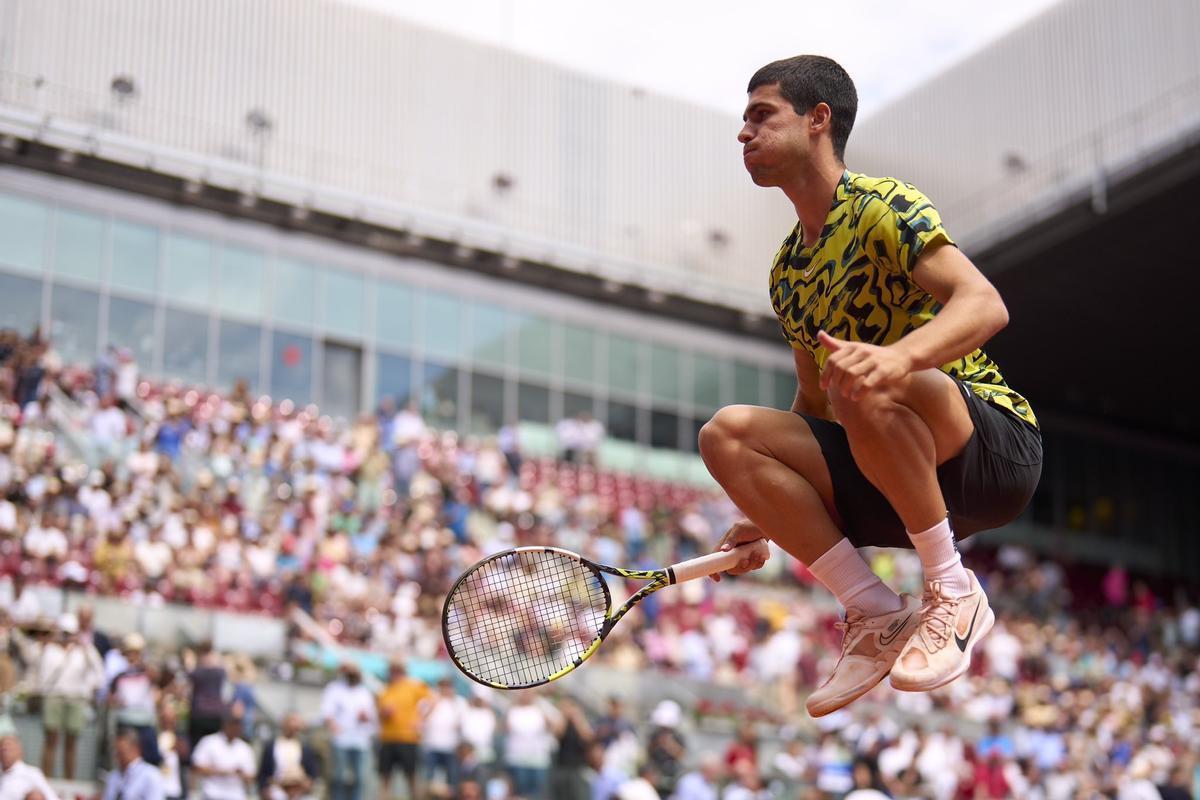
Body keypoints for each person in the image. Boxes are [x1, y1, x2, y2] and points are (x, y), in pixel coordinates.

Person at [702, 54, 1042, 717]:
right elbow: (812, 407)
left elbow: (984, 304)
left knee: (858, 378)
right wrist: (769, 508)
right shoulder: (787, 270)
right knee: (728, 435)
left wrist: (895, 360)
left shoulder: (883, 206)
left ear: (818, 119)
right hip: (889, 474)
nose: (744, 132)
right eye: (744, 120)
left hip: (989, 456)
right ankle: (874, 613)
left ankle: (953, 591)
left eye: (761, 115)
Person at [38, 613, 104, 780]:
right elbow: (43, 676)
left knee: (71, 743)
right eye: (64, 633)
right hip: (54, 696)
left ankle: (69, 782)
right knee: (51, 741)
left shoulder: (84, 650)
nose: (67, 637)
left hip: (76, 698)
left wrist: (85, 646)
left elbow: (98, 672)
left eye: (70, 633)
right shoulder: (50, 650)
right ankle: (46, 780)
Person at [319, 662, 376, 800]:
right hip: (341, 740)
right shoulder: (334, 689)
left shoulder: (364, 692)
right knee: (339, 777)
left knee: (359, 778)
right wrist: (333, 725)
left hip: (361, 741)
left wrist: (365, 717)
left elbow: (372, 715)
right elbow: (326, 712)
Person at [191, 713, 256, 800]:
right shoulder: (209, 741)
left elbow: (251, 777)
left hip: (236, 796)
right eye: (232, 724)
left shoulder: (245, 748)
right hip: (212, 795)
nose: (235, 728)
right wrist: (220, 771)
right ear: (225, 725)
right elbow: (196, 766)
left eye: (237, 725)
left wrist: (240, 773)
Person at [257, 713, 319, 800]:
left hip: (299, 791)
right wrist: (265, 791)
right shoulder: (272, 746)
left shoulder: (305, 748)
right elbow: (263, 773)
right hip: (277, 789)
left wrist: (305, 785)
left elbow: (312, 773)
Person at [103, 727, 166, 800]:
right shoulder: (113, 776)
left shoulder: (151, 775)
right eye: (117, 753)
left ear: (136, 748)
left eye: (122, 753)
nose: (118, 757)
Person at [0, 735, 59, 800]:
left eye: (9, 749)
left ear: (19, 751)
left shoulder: (32, 773)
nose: (5, 753)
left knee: (35, 796)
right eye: (2, 749)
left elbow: (52, 797)